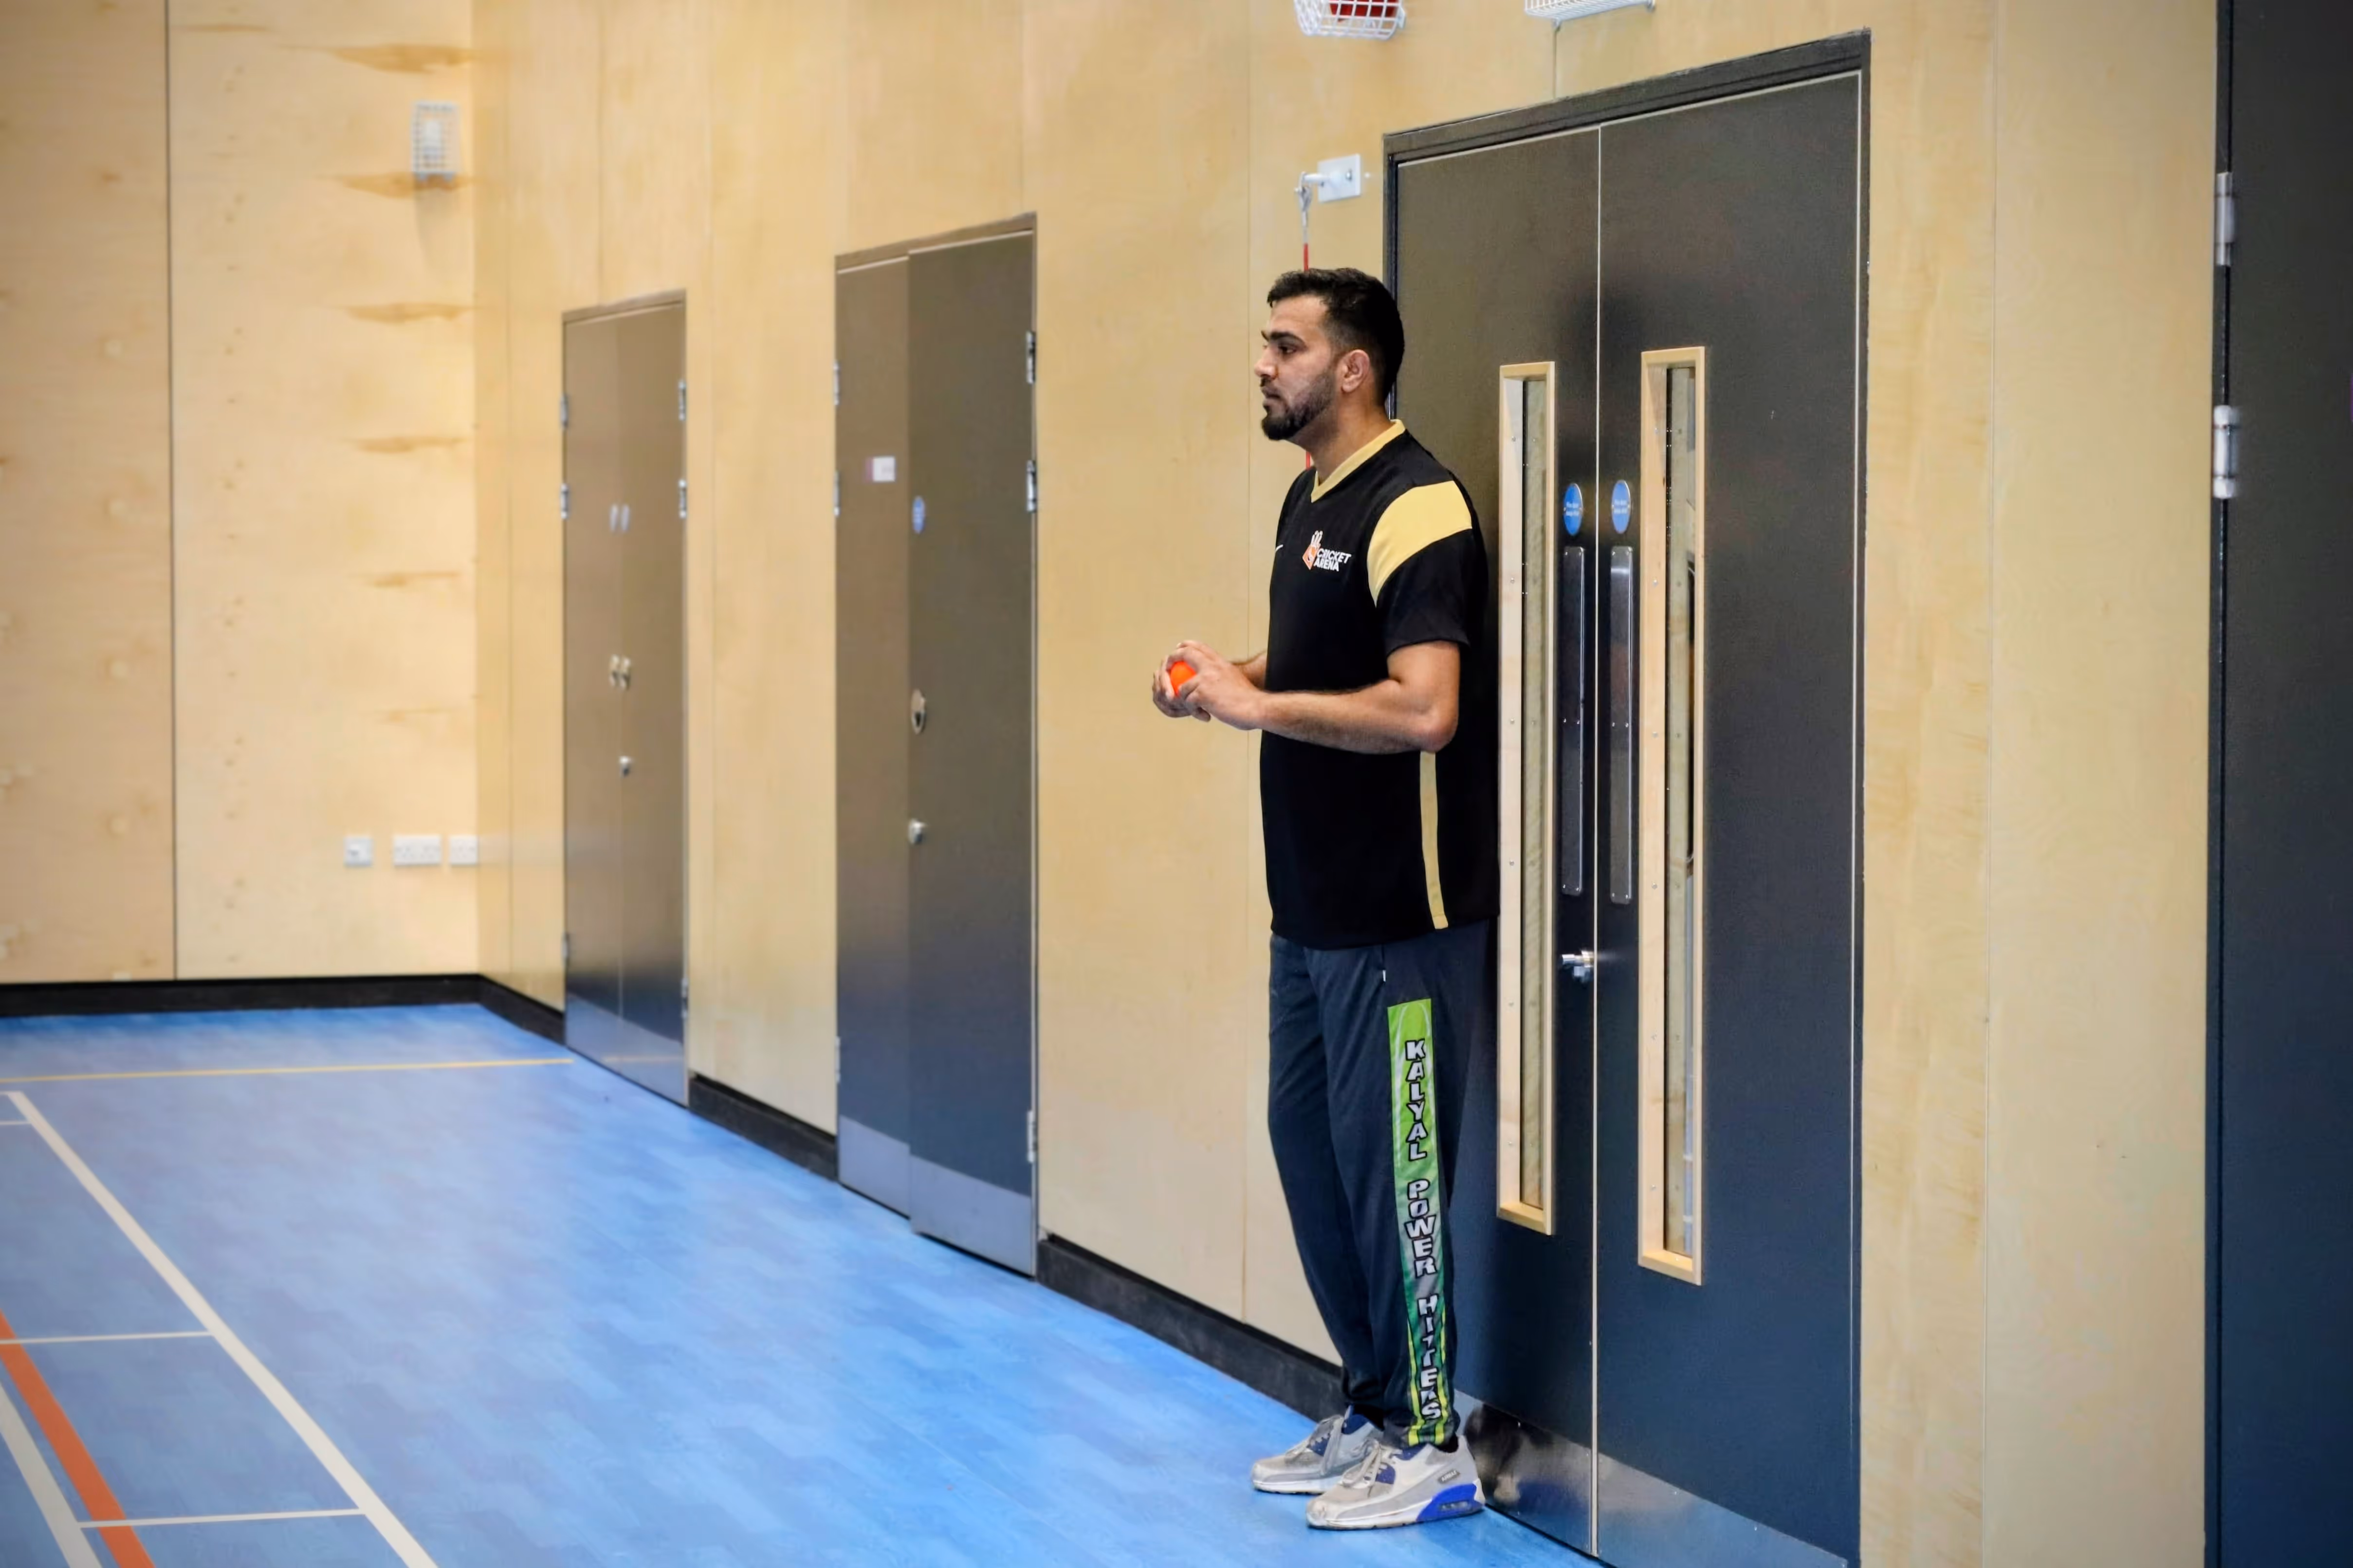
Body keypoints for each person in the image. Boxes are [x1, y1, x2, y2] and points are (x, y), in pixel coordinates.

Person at [1151, 268, 1495, 1531]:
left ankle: (1431, 1435)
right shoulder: (1313, 500)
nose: (1263, 364)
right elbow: (1309, 663)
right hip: (1309, 916)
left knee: (1398, 1176)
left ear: (1353, 368)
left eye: (1285, 346)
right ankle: (1371, 1396)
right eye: (1264, 343)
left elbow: (1425, 706)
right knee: (1313, 1156)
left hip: (1401, 921)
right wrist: (1224, 673)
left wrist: (1257, 704)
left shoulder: (1419, 508)